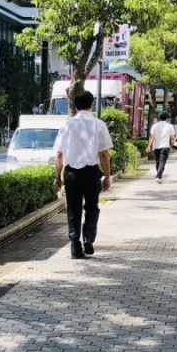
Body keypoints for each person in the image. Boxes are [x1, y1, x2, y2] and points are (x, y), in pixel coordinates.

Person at [53, 90, 113, 259]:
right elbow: (104, 154)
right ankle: (88, 238)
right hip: (91, 173)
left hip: (71, 174)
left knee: (73, 209)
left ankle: (75, 246)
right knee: (92, 207)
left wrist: (57, 176)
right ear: (91, 104)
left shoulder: (67, 125)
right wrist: (107, 176)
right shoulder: (98, 124)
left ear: (75, 105)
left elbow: (59, 154)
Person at [146, 111, 176, 183]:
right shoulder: (169, 126)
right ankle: (159, 176)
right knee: (162, 162)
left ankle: (158, 175)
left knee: (158, 161)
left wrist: (149, 146)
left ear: (159, 118)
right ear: (167, 118)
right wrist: (173, 142)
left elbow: (152, 136)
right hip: (165, 146)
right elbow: (172, 136)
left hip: (156, 147)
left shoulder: (155, 126)